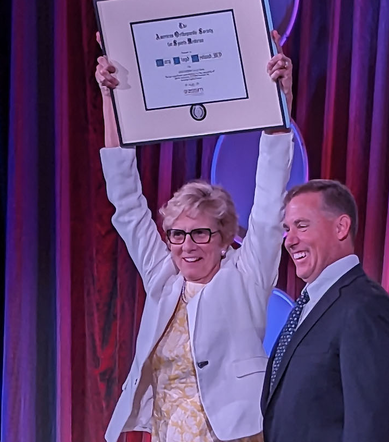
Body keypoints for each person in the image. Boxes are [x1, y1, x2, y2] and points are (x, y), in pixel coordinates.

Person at [97, 31, 295, 442]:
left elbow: (270, 203)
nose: (186, 246)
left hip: (235, 434)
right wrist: (111, 100)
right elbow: (128, 204)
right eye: (177, 234)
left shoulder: (245, 276)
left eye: (200, 233)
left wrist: (280, 102)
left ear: (225, 237)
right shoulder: (164, 279)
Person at [261, 180, 389, 442]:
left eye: (302, 226)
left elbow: (370, 427)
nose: (289, 241)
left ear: (341, 227)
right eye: (287, 229)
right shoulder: (308, 305)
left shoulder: (365, 307)